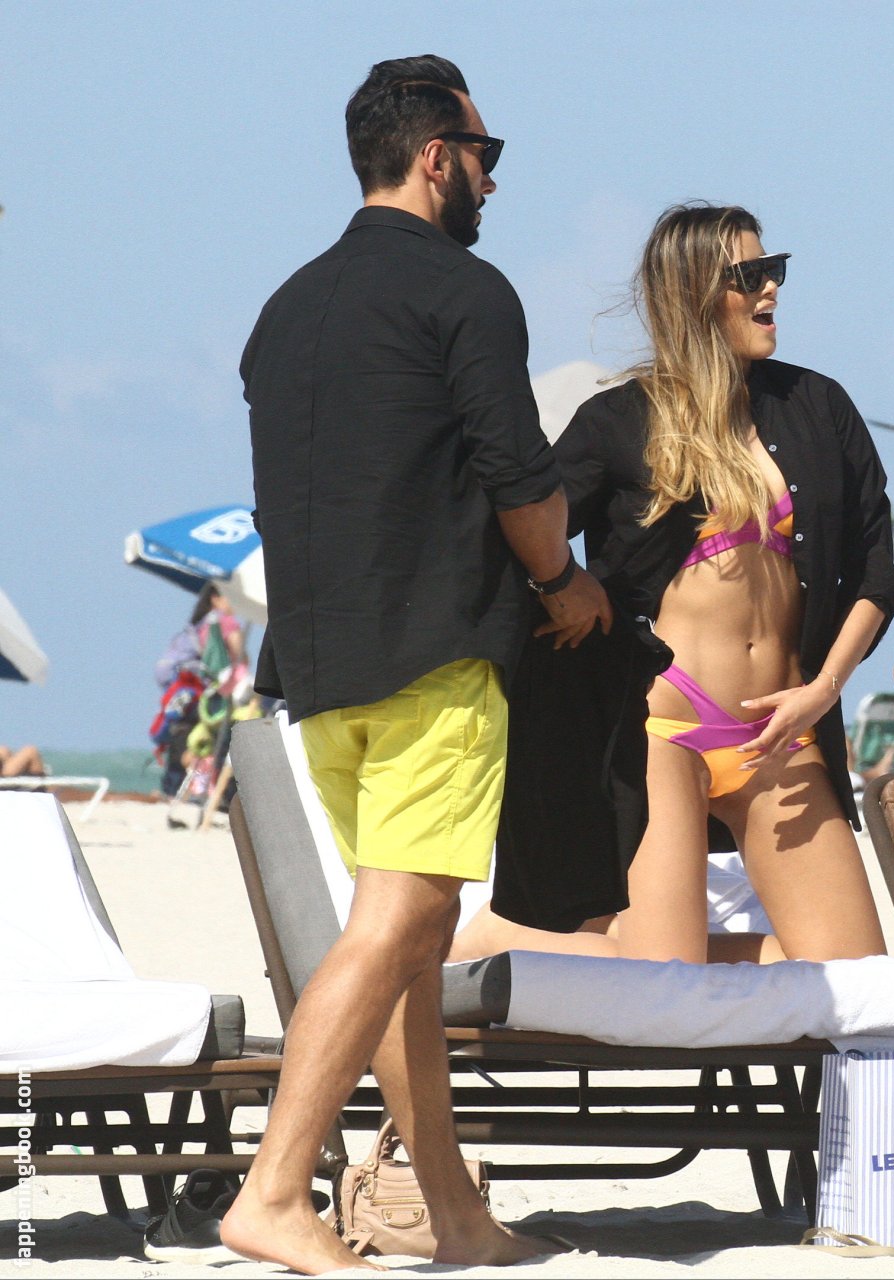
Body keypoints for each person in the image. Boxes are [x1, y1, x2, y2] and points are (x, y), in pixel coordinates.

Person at [222, 55, 609, 1275]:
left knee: (407, 936)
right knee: (405, 916)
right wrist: (564, 583)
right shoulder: (465, 291)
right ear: (437, 156)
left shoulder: (285, 308)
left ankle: (453, 1214)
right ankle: (274, 1191)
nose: (495, 181)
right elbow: (521, 476)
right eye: (487, 156)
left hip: (320, 661)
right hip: (434, 646)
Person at [458, 203, 894, 967]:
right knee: (668, 982)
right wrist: (564, 590)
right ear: (694, 291)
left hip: (784, 726)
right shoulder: (618, 420)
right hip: (664, 725)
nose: (770, 288)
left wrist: (824, 687)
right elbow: (520, 532)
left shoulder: (816, 405)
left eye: (773, 270)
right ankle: (501, 939)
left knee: (857, 984)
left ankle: (566, 950)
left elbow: (875, 570)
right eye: (749, 275)